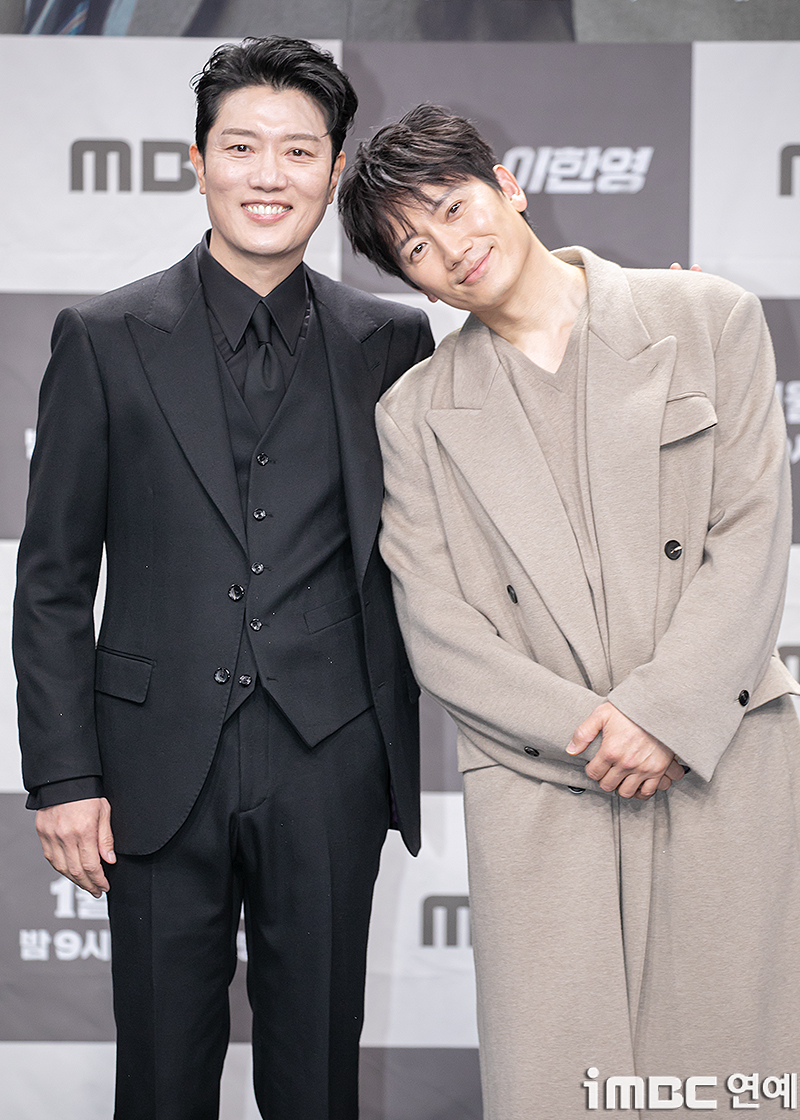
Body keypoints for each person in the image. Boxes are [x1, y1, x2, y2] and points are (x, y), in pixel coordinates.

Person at [338, 104, 800, 1118]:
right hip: (546, 780)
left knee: (730, 1074)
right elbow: (440, 629)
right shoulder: (414, 415)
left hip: (721, 752)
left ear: (507, 186)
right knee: (561, 1081)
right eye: (414, 249)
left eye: (453, 207)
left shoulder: (707, 318)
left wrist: (665, 715)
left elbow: (751, 535)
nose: (450, 248)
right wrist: (601, 733)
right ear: (413, 284)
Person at [13, 38, 433, 1120]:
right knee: (160, 1078)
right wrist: (61, 777)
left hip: (331, 756)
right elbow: (53, 578)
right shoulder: (103, 338)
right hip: (152, 768)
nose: (268, 174)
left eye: (298, 150)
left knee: (317, 1080)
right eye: (241, 147)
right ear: (197, 161)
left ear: (334, 170)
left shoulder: (392, 341)